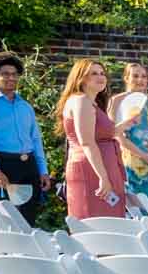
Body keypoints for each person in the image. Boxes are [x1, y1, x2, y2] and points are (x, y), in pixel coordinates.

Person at [0, 52, 50, 227]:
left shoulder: (25, 106)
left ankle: (26, 253)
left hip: (29, 166)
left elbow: (36, 140)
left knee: (28, 219)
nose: (11, 78)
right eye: (5, 74)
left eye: (14, 74)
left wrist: (43, 170)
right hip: (5, 167)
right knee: (6, 219)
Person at [55, 59, 131, 220]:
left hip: (104, 167)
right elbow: (87, 142)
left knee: (111, 221)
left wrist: (124, 125)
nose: (100, 77)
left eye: (102, 73)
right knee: (96, 221)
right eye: (94, 73)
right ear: (80, 78)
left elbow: (100, 135)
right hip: (92, 170)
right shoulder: (81, 101)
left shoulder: (91, 103)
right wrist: (103, 177)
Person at [108, 62, 148, 216]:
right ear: (126, 78)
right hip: (134, 165)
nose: (140, 80)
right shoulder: (116, 101)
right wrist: (144, 156)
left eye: (143, 76)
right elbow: (116, 135)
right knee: (138, 210)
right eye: (135, 76)